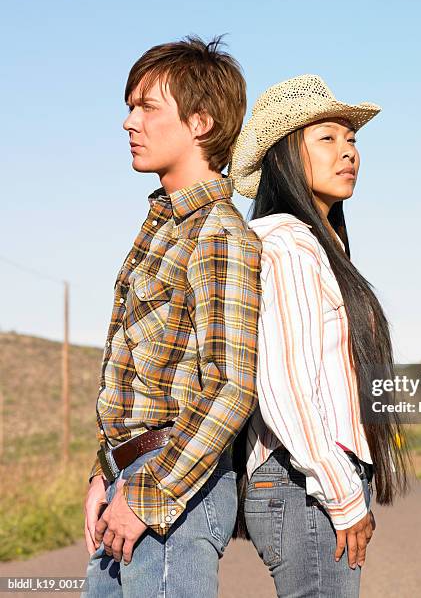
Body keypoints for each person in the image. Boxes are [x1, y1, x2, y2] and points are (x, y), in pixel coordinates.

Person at [81, 36, 262, 597]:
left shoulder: (219, 233)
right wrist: (103, 472)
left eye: (146, 106)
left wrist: (149, 495)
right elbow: (135, 373)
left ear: (201, 122)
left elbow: (232, 387)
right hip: (129, 481)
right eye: (129, 106)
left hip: (171, 492)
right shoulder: (165, 227)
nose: (129, 122)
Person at [229, 74, 413, 597]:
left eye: (351, 139)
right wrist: (342, 491)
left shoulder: (318, 245)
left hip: (309, 483)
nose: (348, 152)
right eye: (327, 138)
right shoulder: (287, 243)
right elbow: (284, 383)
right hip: (303, 484)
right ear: (285, 157)